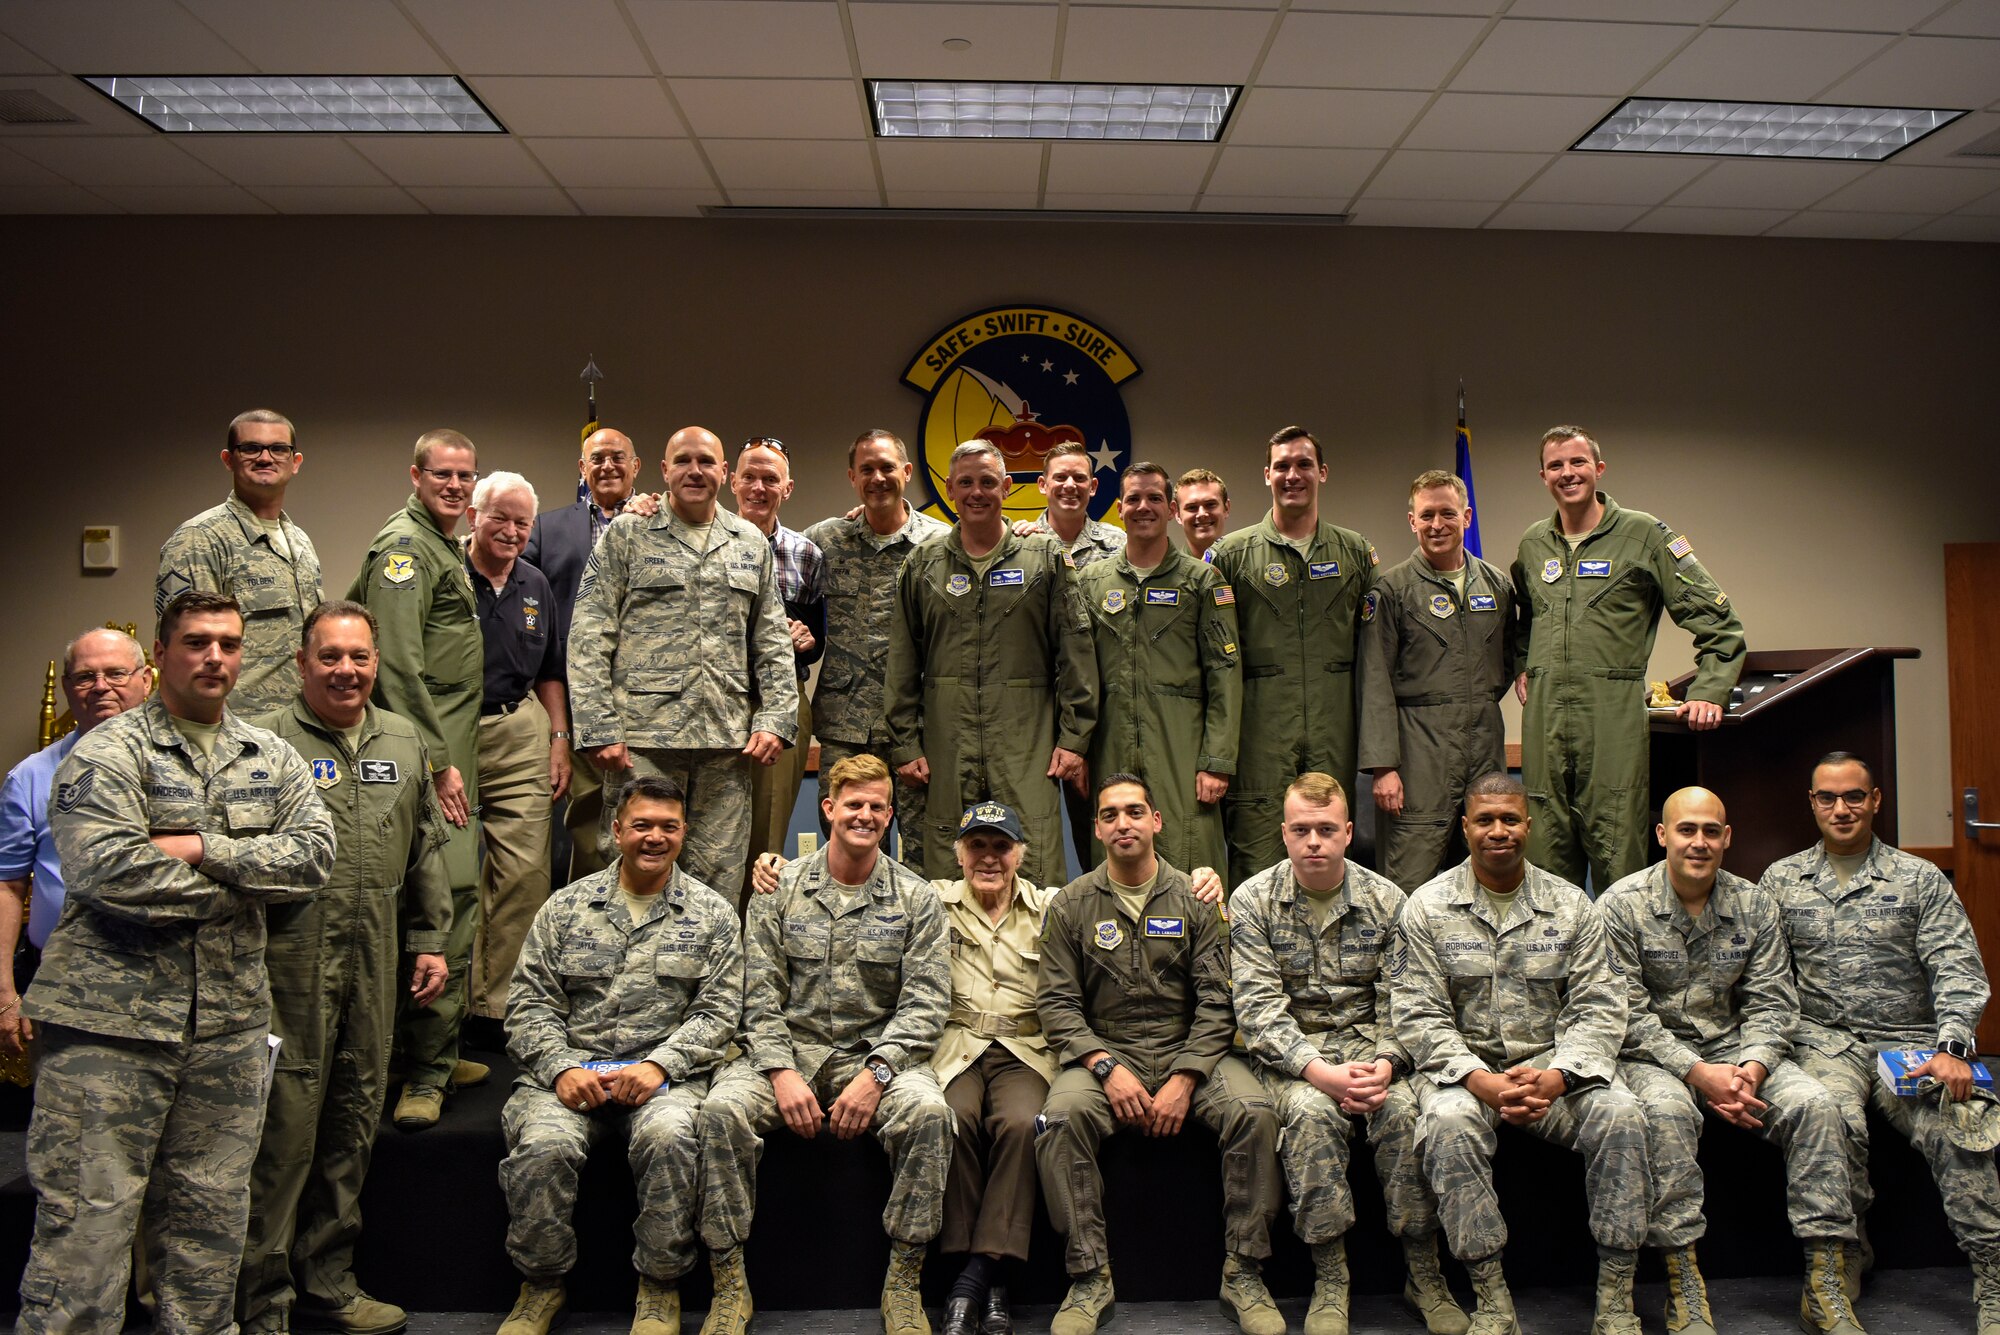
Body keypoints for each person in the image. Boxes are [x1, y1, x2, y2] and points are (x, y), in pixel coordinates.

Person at [744, 827, 1227, 1335]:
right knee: (953, 1119)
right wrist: (776, 864)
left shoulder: (1054, 904)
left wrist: (1202, 877)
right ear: (960, 854)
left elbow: (1119, 883)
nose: (989, 859)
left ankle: (975, 1278)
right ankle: (986, 1278)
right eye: (978, 847)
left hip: (1025, 1049)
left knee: (1022, 1124)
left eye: (1002, 847)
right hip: (957, 1048)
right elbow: (865, 872)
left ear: (1021, 853)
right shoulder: (931, 897)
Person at [16, 590, 335, 1335]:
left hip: (225, 1026)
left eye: (227, 641)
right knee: (86, 1232)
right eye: (195, 641)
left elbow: (314, 858)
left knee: (209, 1225)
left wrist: (201, 847)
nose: (214, 656)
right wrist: (247, 883)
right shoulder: (108, 751)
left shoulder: (272, 756)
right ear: (159, 656)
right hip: (108, 1028)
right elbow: (108, 871)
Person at [238, 600, 452, 1335]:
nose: (347, 669)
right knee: (284, 1125)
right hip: (289, 956)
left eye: (359, 656)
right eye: (330, 656)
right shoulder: (263, 742)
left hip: (378, 950)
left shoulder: (403, 736)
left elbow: (425, 845)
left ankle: (328, 1277)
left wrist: (430, 938)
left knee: (355, 1116)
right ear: (302, 663)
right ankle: (262, 1297)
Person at [695, 754, 952, 1335]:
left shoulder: (916, 899)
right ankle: (728, 1282)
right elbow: (754, 995)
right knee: (719, 1111)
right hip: (791, 1050)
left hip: (879, 1054)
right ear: (828, 808)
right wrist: (781, 1072)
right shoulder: (779, 888)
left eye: (877, 807)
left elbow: (925, 1006)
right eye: (854, 804)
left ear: (889, 816)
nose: (865, 815)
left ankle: (905, 1280)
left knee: (931, 1114)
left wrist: (878, 1074)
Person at [1600, 786, 1864, 1335]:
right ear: (1662, 836)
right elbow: (1624, 1012)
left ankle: (1825, 1279)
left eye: (1711, 831)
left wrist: (1753, 1069)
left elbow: (1772, 1000)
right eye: (1687, 830)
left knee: (1816, 1104)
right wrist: (1697, 1073)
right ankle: (1683, 1281)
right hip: (1652, 1057)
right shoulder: (1621, 906)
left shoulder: (1753, 903)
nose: (1699, 842)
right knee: (1668, 1115)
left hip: (1737, 1051)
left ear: (1727, 838)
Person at [1390, 773, 1648, 1335]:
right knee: (1447, 1123)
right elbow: (1418, 1014)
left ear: (1528, 826)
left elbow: (1601, 1006)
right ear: (1465, 828)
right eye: (1485, 820)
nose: (1498, 831)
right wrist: (1478, 1079)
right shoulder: (1427, 908)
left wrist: (1559, 1075)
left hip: (1556, 1075)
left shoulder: (1572, 905)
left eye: (1510, 819)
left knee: (1623, 1116)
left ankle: (1616, 1295)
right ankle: (1490, 1294)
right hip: (1468, 1077)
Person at [1036, 774, 1283, 1335]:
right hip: (1105, 1047)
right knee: (1059, 1119)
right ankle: (1089, 1277)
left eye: (1134, 811)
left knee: (1255, 1112)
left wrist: (1187, 1077)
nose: (1123, 823)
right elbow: (1057, 1004)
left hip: (1188, 1045)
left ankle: (1243, 1273)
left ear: (1156, 821)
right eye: (1109, 815)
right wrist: (1105, 1067)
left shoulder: (1194, 900)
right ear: (1097, 829)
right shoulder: (1072, 905)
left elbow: (1220, 1002)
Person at [494, 775, 742, 1335]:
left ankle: (659, 1286)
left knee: (671, 1137)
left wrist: (660, 1066)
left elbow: (720, 1013)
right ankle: (541, 1284)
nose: (655, 837)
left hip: (663, 1078)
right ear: (616, 831)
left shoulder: (713, 914)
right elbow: (529, 1005)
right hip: (570, 1071)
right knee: (543, 1144)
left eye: (668, 826)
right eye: (642, 825)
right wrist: (561, 1068)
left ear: (685, 832)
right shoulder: (567, 908)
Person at [1762, 752, 2000, 1332]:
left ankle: (1992, 1277)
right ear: (1812, 803)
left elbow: (1958, 970)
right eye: (1827, 797)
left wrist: (1954, 1048)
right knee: (1829, 1118)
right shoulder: (1781, 880)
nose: (1840, 809)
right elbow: (1766, 979)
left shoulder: (1918, 879)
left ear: (1875, 800)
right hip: (1823, 1042)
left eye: (1853, 796)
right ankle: (1843, 1255)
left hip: (1910, 1041)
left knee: (1959, 1123)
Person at [1229, 773, 1467, 1335]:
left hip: (1373, 1053)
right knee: (1311, 1116)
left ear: (1349, 832)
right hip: (1295, 1057)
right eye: (1303, 830)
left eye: (1327, 829)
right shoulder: (1253, 901)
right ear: (1283, 834)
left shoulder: (1389, 902)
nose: (1315, 841)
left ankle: (1423, 1272)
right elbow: (1259, 1009)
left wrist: (1384, 1064)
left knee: (1407, 1113)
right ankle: (1331, 1277)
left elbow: (1405, 1001)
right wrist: (1321, 1073)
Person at [1511, 426, 1745, 893]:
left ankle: (1625, 965)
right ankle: (1556, 963)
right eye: (1556, 465)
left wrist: (1709, 690)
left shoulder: (1644, 536)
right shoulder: (1533, 544)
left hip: (1612, 717)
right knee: (1546, 856)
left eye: (1578, 462)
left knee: (1619, 857)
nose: (1568, 473)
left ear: (1598, 469)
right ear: (1543, 476)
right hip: (1544, 722)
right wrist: (1524, 662)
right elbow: (1524, 616)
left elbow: (1720, 622)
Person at [569, 425, 797, 893]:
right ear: (664, 470)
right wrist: (598, 727)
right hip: (642, 742)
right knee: (635, 870)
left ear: (724, 472)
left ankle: (707, 968)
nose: (695, 471)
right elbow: (590, 633)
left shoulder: (749, 543)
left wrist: (775, 718)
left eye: (707, 462)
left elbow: (772, 639)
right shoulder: (627, 535)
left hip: (726, 744)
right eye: (684, 461)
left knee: (719, 879)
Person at [346, 427, 487, 1129]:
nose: (456, 486)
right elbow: (394, 666)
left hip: (451, 754)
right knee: (448, 898)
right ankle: (422, 1073)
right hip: (428, 764)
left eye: (466, 476)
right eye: (444, 475)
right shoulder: (404, 549)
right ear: (416, 474)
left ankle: (435, 1046)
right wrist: (436, 763)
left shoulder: (438, 543)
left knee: (450, 898)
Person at [885, 440, 1095, 888]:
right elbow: (902, 660)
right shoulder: (923, 564)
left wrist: (1075, 738)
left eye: (987, 482)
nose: (976, 492)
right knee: (948, 865)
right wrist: (905, 742)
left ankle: (1036, 958)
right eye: (966, 483)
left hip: (1025, 744)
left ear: (1006, 487)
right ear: (950, 489)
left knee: (1032, 858)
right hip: (947, 743)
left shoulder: (1044, 560)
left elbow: (1076, 654)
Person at [1210, 426, 1377, 888]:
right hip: (1260, 734)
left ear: (1322, 472)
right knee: (1257, 859)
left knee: (1328, 853)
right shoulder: (1232, 554)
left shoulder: (1355, 552)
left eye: (1303, 464)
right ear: (1266, 475)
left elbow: (1375, 653)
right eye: (1282, 465)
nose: (1292, 474)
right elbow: (1217, 658)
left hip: (1334, 727)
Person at [1072, 462, 1239, 878]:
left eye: (1154, 499)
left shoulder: (1202, 581)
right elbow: (1074, 673)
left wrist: (1216, 759)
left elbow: (1225, 671)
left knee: (1189, 846)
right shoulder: (1091, 581)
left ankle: (1203, 940)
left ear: (1170, 510)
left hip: (1180, 737)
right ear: (1118, 508)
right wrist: (1077, 747)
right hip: (1109, 736)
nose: (1143, 506)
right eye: (1133, 499)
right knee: (1113, 839)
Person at [1360, 470, 1517, 891]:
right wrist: (1384, 767)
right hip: (1418, 756)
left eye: (1447, 513)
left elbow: (1501, 666)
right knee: (1409, 877)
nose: (1436, 525)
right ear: (1411, 520)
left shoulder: (1497, 585)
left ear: (1466, 516)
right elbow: (1374, 680)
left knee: (1487, 869)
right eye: (1426, 515)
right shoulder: (1391, 590)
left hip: (1483, 745)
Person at [0, 628, 153, 1055]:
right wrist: (5, 993)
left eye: (116, 673)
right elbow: (8, 885)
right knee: (67, 1117)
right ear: (67, 688)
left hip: (162, 978)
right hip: (61, 981)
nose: (101, 686)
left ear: (146, 680)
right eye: (85, 676)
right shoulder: (30, 776)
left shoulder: (185, 765)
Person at [803, 429, 950, 852]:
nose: (878, 478)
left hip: (921, 729)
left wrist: (1036, 528)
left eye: (887, 468)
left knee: (929, 854)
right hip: (846, 729)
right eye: (867, 469)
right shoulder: (825, 540)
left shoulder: (941, 544)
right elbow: (765, 547)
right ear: (852, 477)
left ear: (906, 472)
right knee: (848, 851)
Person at [463, 473, 570, 1043]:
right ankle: (444, 1003)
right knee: (451, 874)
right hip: (451, 730)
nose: (509, 530)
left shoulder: (534, 583)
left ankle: (493, 1005)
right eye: (498, 517)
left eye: (521, 522)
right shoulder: (445, 575)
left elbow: (552, 670)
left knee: (526, 873)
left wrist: (558, 739)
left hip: (519, 724)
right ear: (472, 517)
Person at [524, 426, 643, 882]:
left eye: (618, 458)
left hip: (646, 699)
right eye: (597, 459)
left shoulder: (658, 521)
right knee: (582, 826)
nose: (608, 466)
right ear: (582, 468)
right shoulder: (546, 529)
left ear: (636, 467)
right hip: (573, 700)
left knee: (644, 817)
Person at [156, 408, 323, 718]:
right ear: (228, 459)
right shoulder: (200, 539)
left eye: (278, 449)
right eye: (250, 448)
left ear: (295, 462)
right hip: (237, 727)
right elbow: (186, 651)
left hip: (299, 724)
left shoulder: (300, 542)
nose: (264, 458)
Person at [730, 436, 825, 909]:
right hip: (715, 700)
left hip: (782, 701)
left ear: (788, 488)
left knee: (767, 833)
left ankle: (755, 944)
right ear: (732, 481)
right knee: (702, 824)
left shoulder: (805, 554)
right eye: (750, 475)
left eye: (771, 478)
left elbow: (817, 638)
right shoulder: (705, 541)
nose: (759, 486)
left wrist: (806, 643)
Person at [1020, 443, 1125, 569]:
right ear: (1043, 485)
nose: (1070, 485)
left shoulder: (1119, 542)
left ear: (1093, 487)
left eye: (1079, 478)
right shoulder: (1021, 542)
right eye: (1060, 477)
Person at [1175, 467, 1231, 562]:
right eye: (1192, 507)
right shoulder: (1170, 575)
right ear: (1178, 515)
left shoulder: (1244, 568)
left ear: (1226, 508)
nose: (1202, 514)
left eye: (1210, 505)